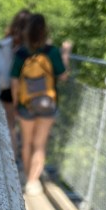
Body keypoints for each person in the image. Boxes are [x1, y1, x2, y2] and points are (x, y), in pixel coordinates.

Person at [10, 13, 69, 194]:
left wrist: (15, 105)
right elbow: (63, 76)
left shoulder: (20, 53)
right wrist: (66, 53)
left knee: (26, 143)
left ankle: (27, 176)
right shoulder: (52, 52)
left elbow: (14, 81)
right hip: (47, 104)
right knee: (40, 144)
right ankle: (33, 182)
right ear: (45, 31)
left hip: (25, 104)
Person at [0, 9, 31, 153]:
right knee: (28, 127)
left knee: (10, 125)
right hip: (28, 89)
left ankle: (13, 158)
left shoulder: (5, 43)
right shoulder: (33, 47)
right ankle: (26, 156)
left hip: (6, 88)